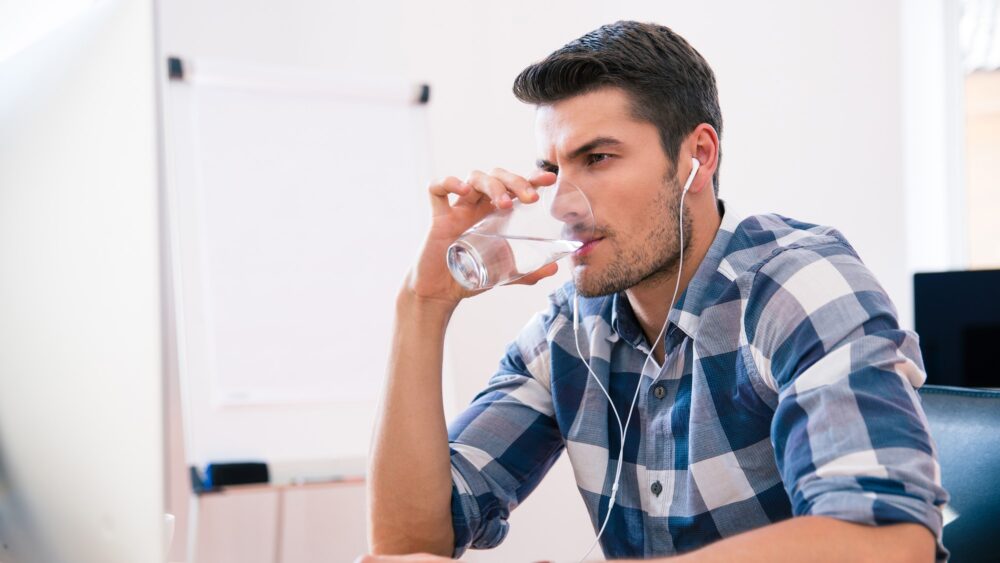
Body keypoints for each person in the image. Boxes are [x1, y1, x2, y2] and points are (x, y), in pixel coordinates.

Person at [363, 20, 948, 562]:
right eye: (554, 170)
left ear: (698, 156)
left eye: (597, 158)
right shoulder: (570, 330)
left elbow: (890, 543)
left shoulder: (796, 286)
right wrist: (423, 302)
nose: (564, 204)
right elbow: (412, 540)